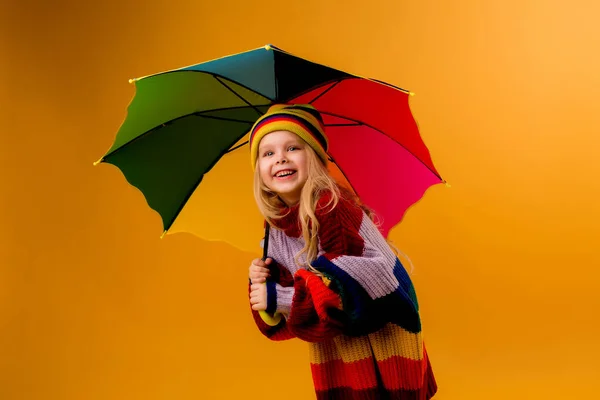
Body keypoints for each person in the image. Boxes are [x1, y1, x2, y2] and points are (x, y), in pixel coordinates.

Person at [247, 104, 437, 400]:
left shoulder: (332, 207)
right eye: (267, 153)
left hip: (380, 332)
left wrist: (279, 296)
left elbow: (352, 288)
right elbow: (289, 302)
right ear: (258, 169)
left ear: (316, 158)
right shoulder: (277, 225)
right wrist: (264, 280)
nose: (280, 158)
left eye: (293, 147)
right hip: (338, 339)